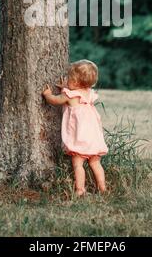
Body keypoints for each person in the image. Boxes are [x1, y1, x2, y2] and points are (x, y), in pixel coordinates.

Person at [42, 59, 108, 196]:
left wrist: (48, 95)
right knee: (95, 163)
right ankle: (103, 188)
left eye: (70, 78)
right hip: (93, 137)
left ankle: (80, 189)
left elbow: (55, 100)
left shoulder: (69, 96)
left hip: (80, 138)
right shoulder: (88, 93)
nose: (67, 79)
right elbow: (75, 91)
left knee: (78, 164)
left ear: (77, 82)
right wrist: (65, 87)